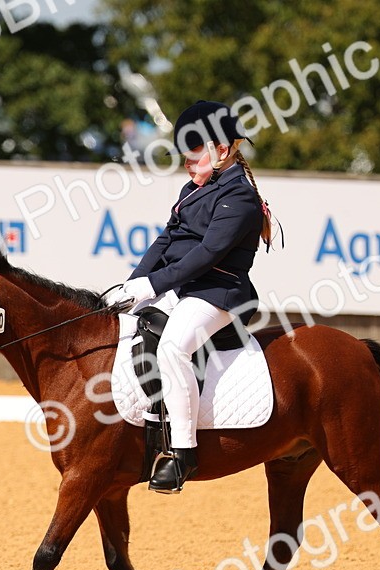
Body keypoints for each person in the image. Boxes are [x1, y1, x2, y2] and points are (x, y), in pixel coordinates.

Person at [107, 100, 276, 494]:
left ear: (223, 149)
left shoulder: (240, 200)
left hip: (218, 294)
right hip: (184, 289)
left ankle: (182, 453)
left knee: (172, 349)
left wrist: (153, 286)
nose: (186, 158)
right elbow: (167, 240)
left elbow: (205, 256)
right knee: (125, 329)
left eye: (195, 149)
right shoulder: (192, 190)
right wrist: (133, 284)